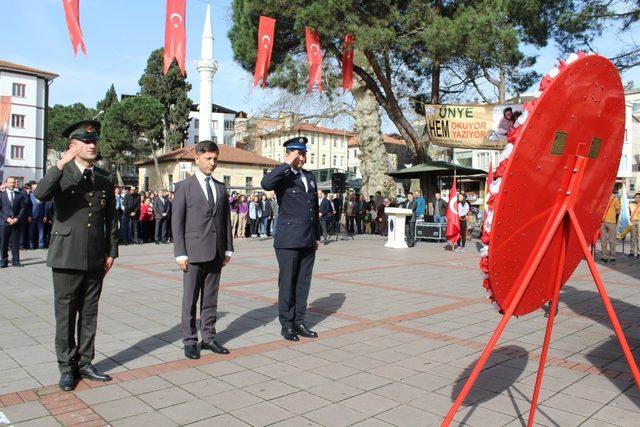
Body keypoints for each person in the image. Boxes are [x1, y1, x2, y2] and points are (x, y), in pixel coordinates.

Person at [34, 120, 118, 391]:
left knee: (90, 312)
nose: (93, 145)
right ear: (72, 146)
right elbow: (40, 194)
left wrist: (111, 251)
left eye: (95, 141)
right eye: (86, 141)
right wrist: (60, 164)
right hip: (66, 254)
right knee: (66, 313)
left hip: (95, 254)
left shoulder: (105, 177)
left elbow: (111, 218)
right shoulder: (62, 172)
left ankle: (85, 361)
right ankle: (66, 366)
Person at [172, 140, 234, 359]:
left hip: (216, 251)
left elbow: (225, 219)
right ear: (196, 158)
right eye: (208, 158)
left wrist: (228, 248)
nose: (212, 163)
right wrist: (180, 252)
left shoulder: (220, 187)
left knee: (210, 298)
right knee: (190, 299)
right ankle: (190, 340)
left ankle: (208, 337)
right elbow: (177, 222)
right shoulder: (184, 187)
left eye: (215, 159)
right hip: (193, 251)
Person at [261, 136, 321, 342]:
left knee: (303, 282)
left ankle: (299, 321)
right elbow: (265, 183)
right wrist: (286, 163)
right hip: (288, 239)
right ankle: (286, 324)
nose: (302, 157)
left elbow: (313, 209)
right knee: (287, 283)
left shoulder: (310, 177)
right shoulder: (283, 177)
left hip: (308, 238)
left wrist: (317, 235)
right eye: (297, 153)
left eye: (303, 153)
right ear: (289, 154)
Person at [0, 176, 27, 267]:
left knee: (15, 242)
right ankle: (4, 261)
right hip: (4, 222)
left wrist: (17, 218)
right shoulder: (1, 195)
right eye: (10, 182)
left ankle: (16, 260)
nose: (12, 184)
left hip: (16, 222)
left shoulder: (19, 194)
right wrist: (7, 218)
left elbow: (23, 208)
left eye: (14, 182)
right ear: (6, 183)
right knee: (4, 242)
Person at [600, 191, 620, 263]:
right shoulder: (602, 198)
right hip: (603, 222)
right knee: (603, 240)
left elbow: (618, 211)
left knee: (612, 241)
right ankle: (604, 256)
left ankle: (612, 256)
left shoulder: (615, 199)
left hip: (612, 222)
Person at [29, 182, 47, 249]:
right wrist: (29, 216)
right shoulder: (30, 196)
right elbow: (28, 207)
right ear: (32, 189)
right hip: (32, 216)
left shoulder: (42, 196)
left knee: (41, 231)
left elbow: (45, 206)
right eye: (34, 188)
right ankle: (31, 245)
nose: (36, 189)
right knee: (31, 231)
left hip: (41, 216)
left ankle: (41, 245)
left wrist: (45, 215)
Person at [629, 192, 640, 259]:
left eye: (639, 197)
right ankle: (632, 252)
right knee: (633, 237)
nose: (637, 199)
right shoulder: (631, 205)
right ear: (634, 198)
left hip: (639, 221)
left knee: (639, 238)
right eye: (636, 197)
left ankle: (639, 253)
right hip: (632, 221)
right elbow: (628, 213)